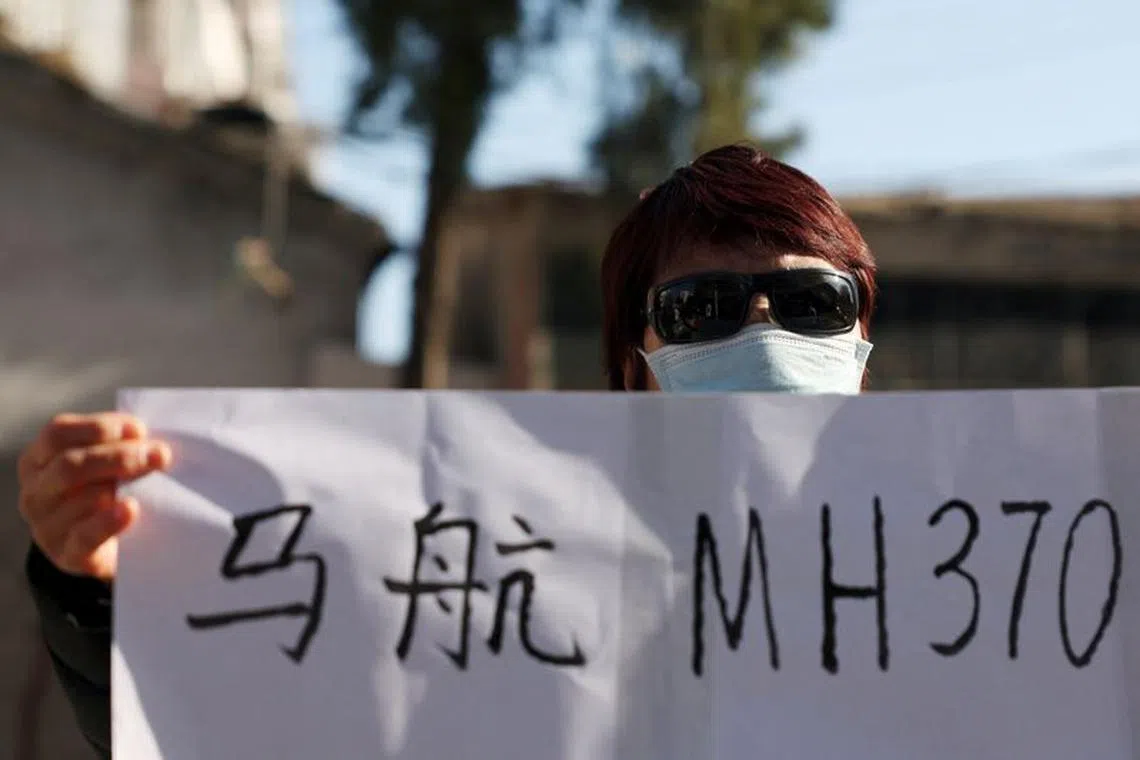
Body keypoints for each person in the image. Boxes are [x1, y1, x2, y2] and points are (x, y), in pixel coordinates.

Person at [16, 144, 878, 758]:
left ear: (861, 348)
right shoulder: (500, 577)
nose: (762, 331)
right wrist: (107, 595)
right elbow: (256, 723)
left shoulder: (947, 589)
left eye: (815, 303)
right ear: (631, 366)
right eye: (702, 308)